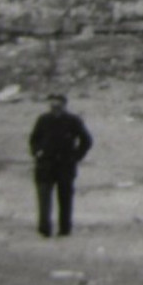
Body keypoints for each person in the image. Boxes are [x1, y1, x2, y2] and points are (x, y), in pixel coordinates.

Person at [29, 93, 92, 238]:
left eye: (58, 105)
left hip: (65, 165)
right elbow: (34, 139)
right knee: (44, 196)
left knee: (65, 197)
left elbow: (86, 141)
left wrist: (75, 157)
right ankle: (44, 228)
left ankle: (65, 228)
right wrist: (37, 152)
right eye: (52, 105)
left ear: (64, 105)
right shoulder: (43, 120)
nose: (55, 108)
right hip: (45, 165)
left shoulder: (73, 121)